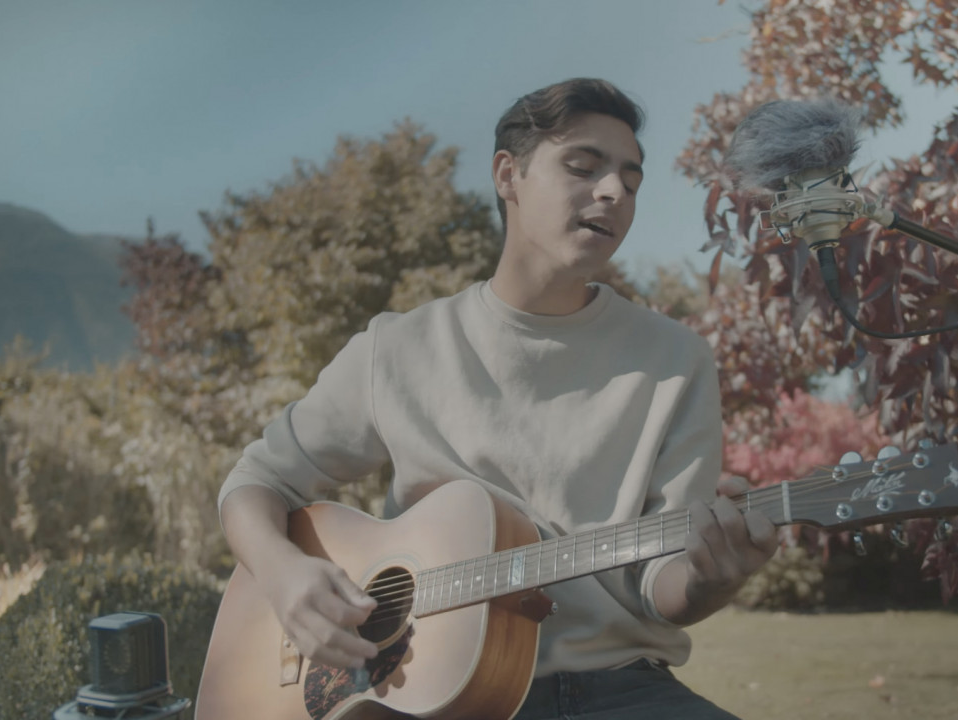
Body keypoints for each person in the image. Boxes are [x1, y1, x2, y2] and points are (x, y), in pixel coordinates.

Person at [216, 77, 778, 719]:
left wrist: (713, 576)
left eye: (631, 178)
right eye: (584, 166)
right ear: (508, 176)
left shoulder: (677, 362)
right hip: (418, 696)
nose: (614, 191)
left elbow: (662, 585)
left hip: (620, 691)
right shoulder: (396, 348)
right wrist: (286, 576)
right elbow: (255, 482)